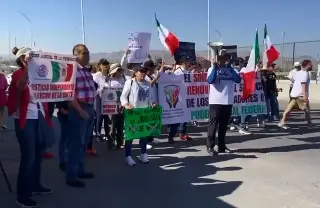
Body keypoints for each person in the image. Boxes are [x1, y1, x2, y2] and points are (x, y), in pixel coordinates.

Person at [7, 47, 52, 207]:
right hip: (26, 119)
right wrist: (28, 68)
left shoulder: (39, 73)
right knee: (29, 156)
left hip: (39, 117)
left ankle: (35, 184)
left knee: (39, 152)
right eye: (29, 57)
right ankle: (23, 194)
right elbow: (20, 86)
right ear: (22, 60)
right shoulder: (18, 74)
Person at [66, 44, 95, 188]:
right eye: (85, 52)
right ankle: (71, 176)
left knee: (82, 143)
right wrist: (80, 110)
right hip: (79, 110)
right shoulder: (72, 70)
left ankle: (80, 170)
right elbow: (68, 94)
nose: (88, 55)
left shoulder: (86, 70)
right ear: (76, 55)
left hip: (88, 108)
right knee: (76, 144)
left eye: (88, 52)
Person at [206, 49, 241, 155]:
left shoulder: (232, 69)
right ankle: (210, 146)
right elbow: (210, 81)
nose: (223, 60)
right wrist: (215, 67)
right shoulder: (212, 69)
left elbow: (238, 80)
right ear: (218, 59)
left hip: (227, 101)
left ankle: (222, 146)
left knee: (223, 126)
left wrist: (230, 68)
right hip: (215, 102)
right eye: (221, 58)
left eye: (225, 58)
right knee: (213, 125)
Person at [120, 66, 157, 166]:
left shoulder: (148, 84)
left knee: (144, 134)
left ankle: (143, 154)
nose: (143, 74)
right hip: (133, 112)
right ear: (135, 72)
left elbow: (151, 97)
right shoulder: (130, 82)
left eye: (144, 72)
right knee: (130, 135)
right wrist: (126, 105)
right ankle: (128, 156)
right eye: (141, 72)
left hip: (144, 113)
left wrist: (153, 103)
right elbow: (123, 96)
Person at [278, 60, 313, 129]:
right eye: (310, 64)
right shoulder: (305, 74)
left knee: (289, 109)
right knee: (306, 110)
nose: (311, 66)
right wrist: (305, 95)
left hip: (294, 95)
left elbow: (293, 80)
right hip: (300, 95)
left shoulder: (297, 73)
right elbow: (303, 84)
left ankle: (282, 122)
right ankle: (309, 124)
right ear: (306, 65)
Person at [168, 56, 193, 143]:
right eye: (187, 62)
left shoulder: (188, 72)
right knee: (176, 118)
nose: (189, 63)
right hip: (178, 99)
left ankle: (182, 133)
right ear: (183, 63)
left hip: (186, 98)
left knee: (185, 117)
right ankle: (171, 135)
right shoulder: (178, 72)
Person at [106, 63, 126, 149]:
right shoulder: (109, 80)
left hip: (122, 106)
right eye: (117, 70)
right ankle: (111, 143)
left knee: (121, 125)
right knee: (112, 125)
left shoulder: (123, 79)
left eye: (119, 70)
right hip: (112, 106)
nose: (119, 72)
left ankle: (120, 143)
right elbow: (105, 93)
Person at [93, 58, 110, 143]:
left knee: (106, 117)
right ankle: (98, 134)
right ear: (100, 65)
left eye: (106, 64)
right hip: (99, 98)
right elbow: (94, 89)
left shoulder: (109, 75)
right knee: (100, 116)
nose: (105, 66)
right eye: (103, 64)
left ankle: (107, 134)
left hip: (107, 98)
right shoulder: (96, 76)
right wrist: (101, 89)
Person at [56, 101, 69, 171]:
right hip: (64, 115)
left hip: (74, 113)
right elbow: (58, 97)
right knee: (64, 137)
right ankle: (62, 162)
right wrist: (62, 109)